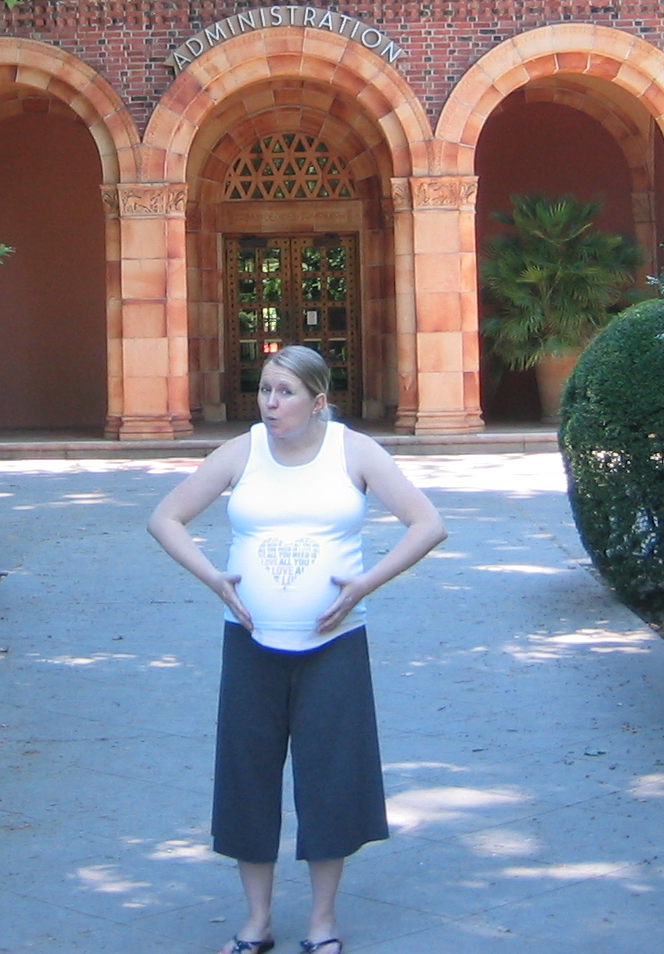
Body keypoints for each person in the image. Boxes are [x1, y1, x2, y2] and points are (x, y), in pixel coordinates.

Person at [148, 346, 447, 954]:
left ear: (318, 401)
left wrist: (365, 583)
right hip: (250, 643)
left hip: (335, 645)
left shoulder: (354, 451)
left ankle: (321, 923)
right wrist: (214, 578)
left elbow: (428, 524)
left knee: (332, 781)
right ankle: (256, 922)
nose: (271, 403)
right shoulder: (243, 451)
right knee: (247, 778)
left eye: (285, 392)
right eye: (265, 390)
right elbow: (165, 518)